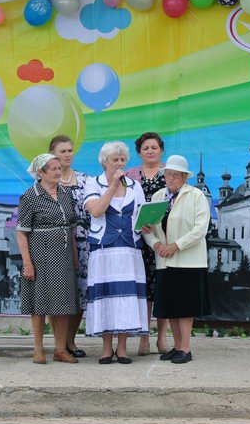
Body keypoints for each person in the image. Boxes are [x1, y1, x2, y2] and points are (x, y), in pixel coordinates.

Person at [84, 141, 149, 364]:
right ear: (105, 162)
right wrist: (112, 186)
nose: (120, 163)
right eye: (115, 160)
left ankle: (122, 348)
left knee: (126, 297)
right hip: (103, 250)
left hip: (129, 250)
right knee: (106, 296)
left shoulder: (135, 186)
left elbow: (140, 218)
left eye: (122, 160)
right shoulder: (93, 183)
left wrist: (147, 224)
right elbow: (96, 210)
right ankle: (105, 347)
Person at [142, 155, 211, 364]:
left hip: (188, 260)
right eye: (167, 174)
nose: (170, 178)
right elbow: (147, 226)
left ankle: (186, 348)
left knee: (185, 307)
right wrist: (156, 244)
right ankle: (176, 346)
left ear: (184, 177)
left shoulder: (196, 196)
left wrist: (177, 245)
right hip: (165, 259)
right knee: (170, 305)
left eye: (175, 175)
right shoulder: (158, 196)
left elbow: (200, 229)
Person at [16, 154, 80, 364]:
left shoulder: (64, 193)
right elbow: (22, 232)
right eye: (51, 168)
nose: (57, 171)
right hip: (40, 255)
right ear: (40, 173)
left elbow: (70, 228)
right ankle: (38, 349)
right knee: (39, 303)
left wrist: (74, 256)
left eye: (58, 168)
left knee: (63, 302)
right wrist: (27, 263)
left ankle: (60, 350)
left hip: (63, 256)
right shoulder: (30, 196)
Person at [125, 132, 169, 356]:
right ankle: (143, 338)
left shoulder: (170, 173)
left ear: (161, 150)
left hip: (164, 239)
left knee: (162, 289)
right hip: (139, 240)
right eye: (145, 148)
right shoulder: (130, 175)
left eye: (154, 147)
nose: (150, 151)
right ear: (139, 152)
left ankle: (162, 338)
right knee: (144, 290)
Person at [49, 135, 90, 359]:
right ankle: (58, 343)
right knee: (58, 293)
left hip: (83, 243)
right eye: (62, 151)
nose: (67, 155)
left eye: (70, 151)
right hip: (55, 244)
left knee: (80, 293)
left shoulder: (85, 180)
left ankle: (71, 340)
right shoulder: (46, 182)